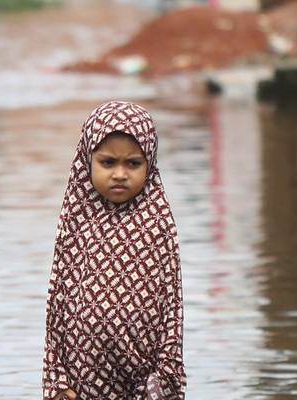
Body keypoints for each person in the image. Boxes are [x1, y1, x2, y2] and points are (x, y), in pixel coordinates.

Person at [42, 101, 186, 400]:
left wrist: (166, 377)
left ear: (149, 163)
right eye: (108, 163)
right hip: (80, 381)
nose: (120, 174)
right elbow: (58, 301)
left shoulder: (157, 223)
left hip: (144, 383)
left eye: (133, 164)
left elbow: (172, 308)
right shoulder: (76, 220)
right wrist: (56, 378)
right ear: (87, 160)